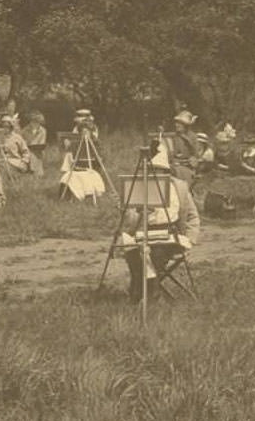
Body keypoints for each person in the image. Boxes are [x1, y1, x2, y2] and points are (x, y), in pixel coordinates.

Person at [119, 167, 201, 301]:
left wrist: (189, 239)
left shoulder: (179, 188)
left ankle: (151, 291)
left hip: (170, 233)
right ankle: (139, 288)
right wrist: (137, 212)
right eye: (151, 170)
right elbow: (130, 223)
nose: (154, 174)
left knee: (156, 253)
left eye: (158, 170)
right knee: (133, 254)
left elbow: (193, 217)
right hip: (143, 231)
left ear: (166, 171)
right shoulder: (140, 187)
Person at [60, 109, 106, 201]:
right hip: (77, 169)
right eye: (82, 132)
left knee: (90, 177)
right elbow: (69, 160)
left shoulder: (96, 144)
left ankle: (88, 194)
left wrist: (97, 160)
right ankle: (70, 196)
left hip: (91, 169)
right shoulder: (75, 144)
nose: (85, 134)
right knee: (68, 177)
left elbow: (101, 160)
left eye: (87, 132)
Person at [168, 110, 202, 185]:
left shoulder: (193, 137)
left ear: (186, 125)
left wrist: (188, 141)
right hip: (174, 165)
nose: (177, 125)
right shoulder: (173, 136)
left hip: (187, 167)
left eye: (180, 123)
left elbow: (196, 155)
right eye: (176, 123)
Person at [23, 111, 47, 176]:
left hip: (38, 150)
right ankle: (34, 171)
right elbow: (22, 142)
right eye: (33, 121)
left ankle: (34, 171)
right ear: (30, 121)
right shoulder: (25, 130)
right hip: (27, 149)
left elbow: (42, 143)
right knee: (31, 154)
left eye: (37, 122)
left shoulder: (43, 131)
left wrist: (37, 146)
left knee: (36, 154)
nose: (34, 124)